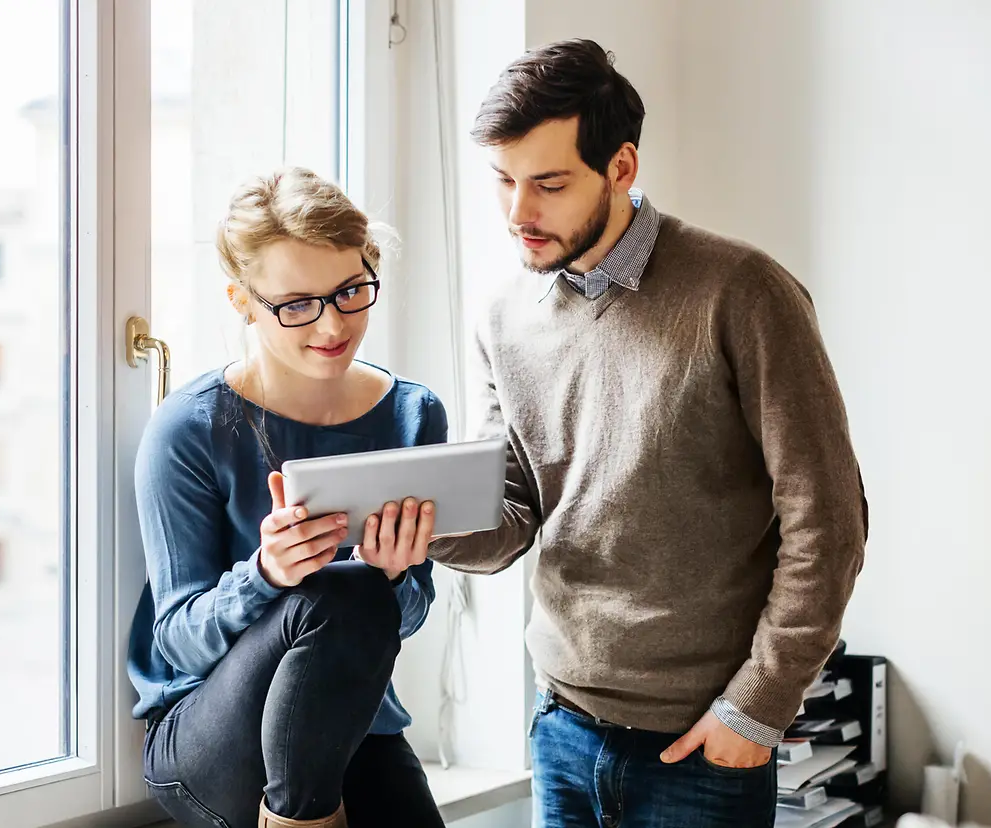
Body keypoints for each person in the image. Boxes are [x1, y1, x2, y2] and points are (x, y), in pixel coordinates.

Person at [428, 39, 869, 828]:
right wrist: (417, 527)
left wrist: (758, 707)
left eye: (549, 184)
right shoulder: (503, 318)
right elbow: (514, 516)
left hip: (701, 745)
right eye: (502, 181)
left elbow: (830, 519)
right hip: (560, 729)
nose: (518, 214)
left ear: (622, 167)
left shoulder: (743, 291)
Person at [127, 167, 448, 828]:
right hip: (209, 729)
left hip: (351, 725)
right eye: (297, 304)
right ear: (243, 302)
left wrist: (392, 576)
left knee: (357, 591)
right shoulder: (190, 428)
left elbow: (403, 623)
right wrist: (266, 574)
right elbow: (179, 644)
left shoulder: (413, 416)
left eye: (350, 290)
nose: (332, 325)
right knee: (338, 591)